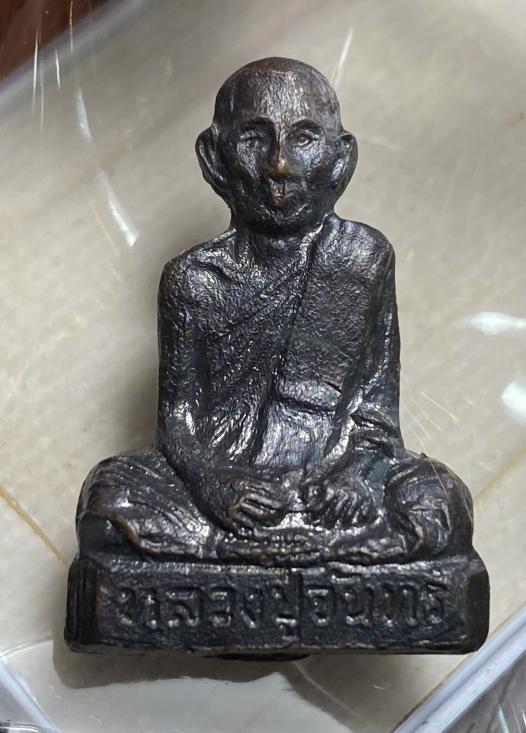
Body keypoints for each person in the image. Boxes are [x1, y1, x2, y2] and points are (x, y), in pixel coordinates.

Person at [77, 58, 473, 567]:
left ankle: (264, 552)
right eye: (253, 139)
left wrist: (355, 476)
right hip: (228, 485)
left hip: (330, 488)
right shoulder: (193, 280)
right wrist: (214, 485)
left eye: (303, 138)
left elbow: (375, 410)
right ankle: (245, 547)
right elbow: (178, 422)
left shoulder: (361, 258)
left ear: (341, 159)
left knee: (440, 495)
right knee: (109, 498)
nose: (279, 166)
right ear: (213, 159)